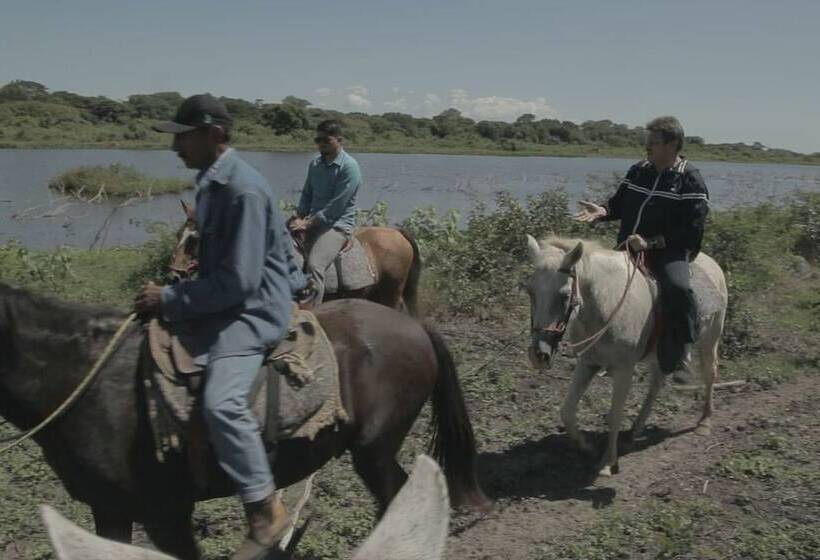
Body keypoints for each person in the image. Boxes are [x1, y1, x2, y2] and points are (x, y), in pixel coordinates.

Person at [134, 94, 303, 559]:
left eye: (182, 136)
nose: (175, 147)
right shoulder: (211, 181)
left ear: (215, 135)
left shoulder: (240, 190)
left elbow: (239, 282)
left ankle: (266, 508)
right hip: (224, 301)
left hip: (250, 312)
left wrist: (170, 298)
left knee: (222, 402)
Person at [575, 116, 710, 381]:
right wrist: (603, 211)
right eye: (646, 141)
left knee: (679, 288)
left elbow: (691, 231)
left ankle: (682, 353)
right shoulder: (639, 169)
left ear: (672, 144)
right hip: (628, 248)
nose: (647, 146)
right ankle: (604, 350)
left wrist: (652, 242)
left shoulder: (690, 179)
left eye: (653, 142)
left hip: (669, 252)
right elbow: (619, 204)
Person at [289, 119, 362, 306]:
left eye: (326, 140)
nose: (321, 144)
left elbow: (336, 206)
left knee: (315, 265)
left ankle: (312, 315)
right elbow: (307, 193)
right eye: (318, 140)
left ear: (339, 140)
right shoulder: (315, 164)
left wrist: (306, 223)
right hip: (311, 219)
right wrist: (299, 215)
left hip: (336, 226)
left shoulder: (349, 167)